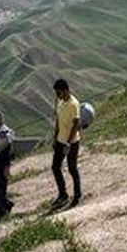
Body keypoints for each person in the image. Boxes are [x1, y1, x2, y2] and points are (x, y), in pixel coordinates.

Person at [51, 79, 82, 209]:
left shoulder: (73, 104)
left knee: (72, 168)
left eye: (59, 93)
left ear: (65, 90)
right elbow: (58, 120)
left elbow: (76, 125)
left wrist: (68, 143)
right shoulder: (60, 102)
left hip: (71, 142)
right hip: (60, 140)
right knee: (55, 167)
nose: (58, 96)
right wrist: (55, 137)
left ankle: (77, 194)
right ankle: (63, 194)